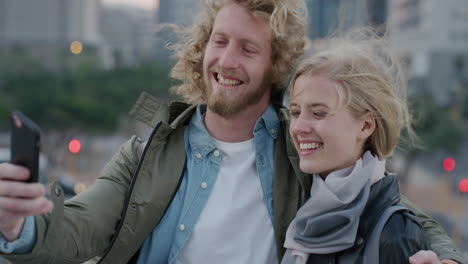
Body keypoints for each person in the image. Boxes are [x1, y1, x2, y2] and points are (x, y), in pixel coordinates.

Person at [0, 0, 463, 263]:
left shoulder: (301, 147)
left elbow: (393, 208)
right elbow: (78, 227)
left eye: (247, 49)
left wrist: (446, 259)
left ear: (275, 65)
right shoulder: (145, 154)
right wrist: (15, 223)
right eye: (219, 42)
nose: (226, 60)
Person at [281, 29, 430, 264]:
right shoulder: (304, 206)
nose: (298, 127)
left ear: (366, 125)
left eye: (319, 113)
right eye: (295, 112)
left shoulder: (395, 232)